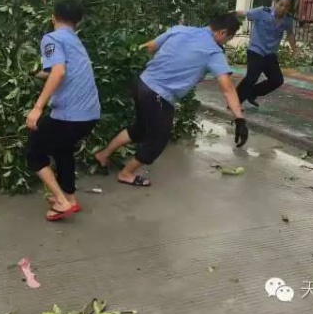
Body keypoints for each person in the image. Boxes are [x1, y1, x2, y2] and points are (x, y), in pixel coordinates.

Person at [94, 13, 248, 187]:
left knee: (139, 129)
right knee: (157, 140)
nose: (226, 42)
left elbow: (148, 47)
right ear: (222, 32)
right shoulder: (213, 51)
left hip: (142, 83)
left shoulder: (180, 30)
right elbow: (227, 88)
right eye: (229, 37)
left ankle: (103, 155)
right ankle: (126, 174)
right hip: (159, 95)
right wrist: (239, 119)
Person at [25, 0, 100, 221]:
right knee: (63, 149)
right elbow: (62, 70)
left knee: (34, 153)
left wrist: (37, 108)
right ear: (80, 22)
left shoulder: (52, 38)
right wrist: (36, 73)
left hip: (70, 115)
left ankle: (61, 201)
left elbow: (59, 72)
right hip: (89, 114)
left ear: (53, 17)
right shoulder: (75, 41)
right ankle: (70, 197)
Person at [235, 0, 298, 107]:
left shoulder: (288, 20)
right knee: (252, 77)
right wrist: (226, 15)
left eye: (287, 6)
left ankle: (252, 93)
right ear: (275, 2)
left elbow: (290, 34)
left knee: (277, 80)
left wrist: (295, 50)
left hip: (270, 54)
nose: (283, 8)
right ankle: (234, 102)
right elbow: (244, 13)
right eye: (281, 5)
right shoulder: (262, 12)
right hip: (255, 51)